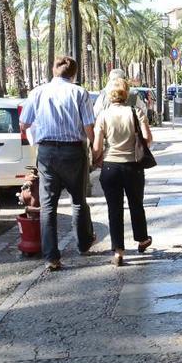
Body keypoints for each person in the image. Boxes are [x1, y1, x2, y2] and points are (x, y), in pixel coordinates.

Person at [19, 56, 97, 271]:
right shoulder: (80, 93)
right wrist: (93, 147)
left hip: (47, 153)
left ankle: (52, 257)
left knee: (48, 206)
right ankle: (83, 244)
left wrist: (36, 142)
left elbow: (24, 123)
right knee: (78, 200)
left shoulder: (37, 93)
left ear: (54, 70)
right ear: (74, 73)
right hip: (73, 151)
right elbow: (89, 125)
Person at [91, 78, 153, 266]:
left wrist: (97, 161)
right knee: (136, 203)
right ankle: (142, 239)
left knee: (114, 209)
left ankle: (118, 251)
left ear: (110, 95)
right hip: (133, 166)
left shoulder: (103, 115)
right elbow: (148, 139)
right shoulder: (136, 112)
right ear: (126, 93)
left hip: (110, 166)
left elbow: (97, 145)